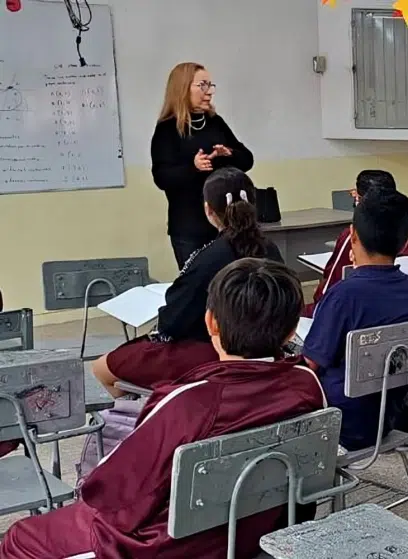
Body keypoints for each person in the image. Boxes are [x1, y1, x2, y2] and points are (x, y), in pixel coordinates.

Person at [1, 258, 326, 559]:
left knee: (18, 538)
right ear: (290, 329)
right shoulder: (306, 383)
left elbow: (112, 489)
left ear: (211, 322)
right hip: (256, 529)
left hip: (168, 544)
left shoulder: (188, 400)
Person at [92, 168, 282, 397]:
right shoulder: (270, 250)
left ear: (208, 210)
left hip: (211, 350)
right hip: (266, 348)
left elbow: (173, 323)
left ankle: (144, 418)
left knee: (102, 367)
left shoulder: (208, 258)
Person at [303, 189, 408, 450]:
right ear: (406, 242)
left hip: (341, 421)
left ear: (353, 236)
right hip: (390, 417)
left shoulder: (344, 295)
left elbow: (311, 362)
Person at [152, 62, 254, 270]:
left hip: (226, 225)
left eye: (210, 85)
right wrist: (194, 167)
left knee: (228, 286)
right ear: (183, 88)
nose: (209, 92)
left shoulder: (215, 122)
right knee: (197, 288)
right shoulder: (167, 130)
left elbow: (247, 160)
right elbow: (162, 177)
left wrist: (229, 154)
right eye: (202, 86)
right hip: (189, 227)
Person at [305, 170, 408, 317]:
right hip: (392, 306)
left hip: (349, 308)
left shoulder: (354, 236)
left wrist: (319, 297)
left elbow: (331, 285)